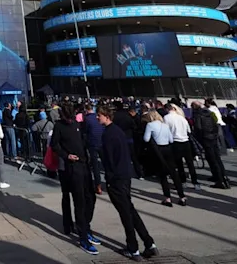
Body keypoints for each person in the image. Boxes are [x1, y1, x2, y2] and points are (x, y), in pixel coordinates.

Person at [98, 106, 159, 261]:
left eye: (99, 115)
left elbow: (109, 159)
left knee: (125, 213)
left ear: (106, 116)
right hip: (125, 175)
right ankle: (148, 242)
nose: (97, 118)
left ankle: (133, 248)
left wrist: (109, 178)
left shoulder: (108, 134)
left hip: (116, 178)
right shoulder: (118, 131)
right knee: (130, 210)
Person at [50, 103, 99, 255]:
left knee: (90, 197)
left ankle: (85, 226)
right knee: (79, 201)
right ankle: (83, 237)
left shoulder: (78, 124)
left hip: (84, 164)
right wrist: (66, 155)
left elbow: (83, 141)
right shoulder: (59, 126)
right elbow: (54, 145)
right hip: (73, 166)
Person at [142, 110, 185, 207]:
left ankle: (167, 198)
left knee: (163, 175)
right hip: (168, 148)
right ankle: (182, 196)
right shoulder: (165, 125)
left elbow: (146, 139)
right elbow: (171, 139)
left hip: (158, 149)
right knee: (174, 173)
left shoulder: (150, 125)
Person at [191, 102, 228, 189]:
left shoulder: (198, 115)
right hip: (213, 137)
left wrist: (199, 139)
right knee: (217, 158)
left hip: (206, 138)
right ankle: (223, 177)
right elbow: (216, 124)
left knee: (212, 159)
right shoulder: (210, 113)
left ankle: (219, 180)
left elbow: (198, 128)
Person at [163, 103, 199, 191]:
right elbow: (188, 130)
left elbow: (166, 130)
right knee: (190, 163)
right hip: (185, 141)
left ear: (166, 110)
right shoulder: (182, 118)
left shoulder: (166, 118)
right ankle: (195, 182)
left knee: (179, 164)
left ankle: (183, 182)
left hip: (175, 141)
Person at [83, 105, 106, 194]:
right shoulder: (99, 118)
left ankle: (98, 185)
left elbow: (84, 131)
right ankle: (109, 183)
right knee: (105, 163)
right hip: (101, 142)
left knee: (95, 165)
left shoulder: (87, 119)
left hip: (92, 143)